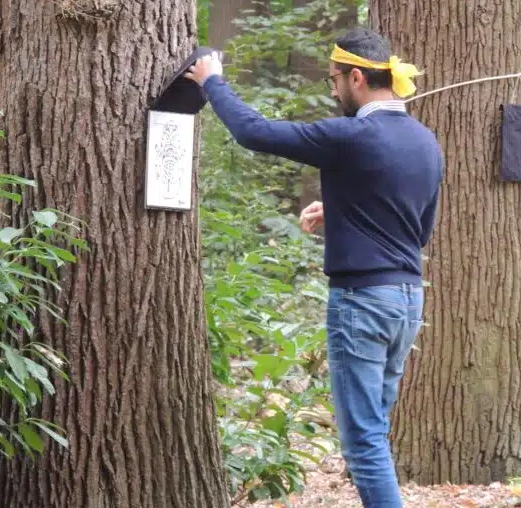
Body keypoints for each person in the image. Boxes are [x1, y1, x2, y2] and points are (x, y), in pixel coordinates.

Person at [185, 27, 443, 508]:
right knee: (375, 431)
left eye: (334, 79)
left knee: (363, 442)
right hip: (407, 302)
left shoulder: (352, 135)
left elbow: (254, 132)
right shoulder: (425, 140)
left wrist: (211, 80)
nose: (333, 90)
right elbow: (417, 230)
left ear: (356, 78)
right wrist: (345, 208)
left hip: (363, 302)